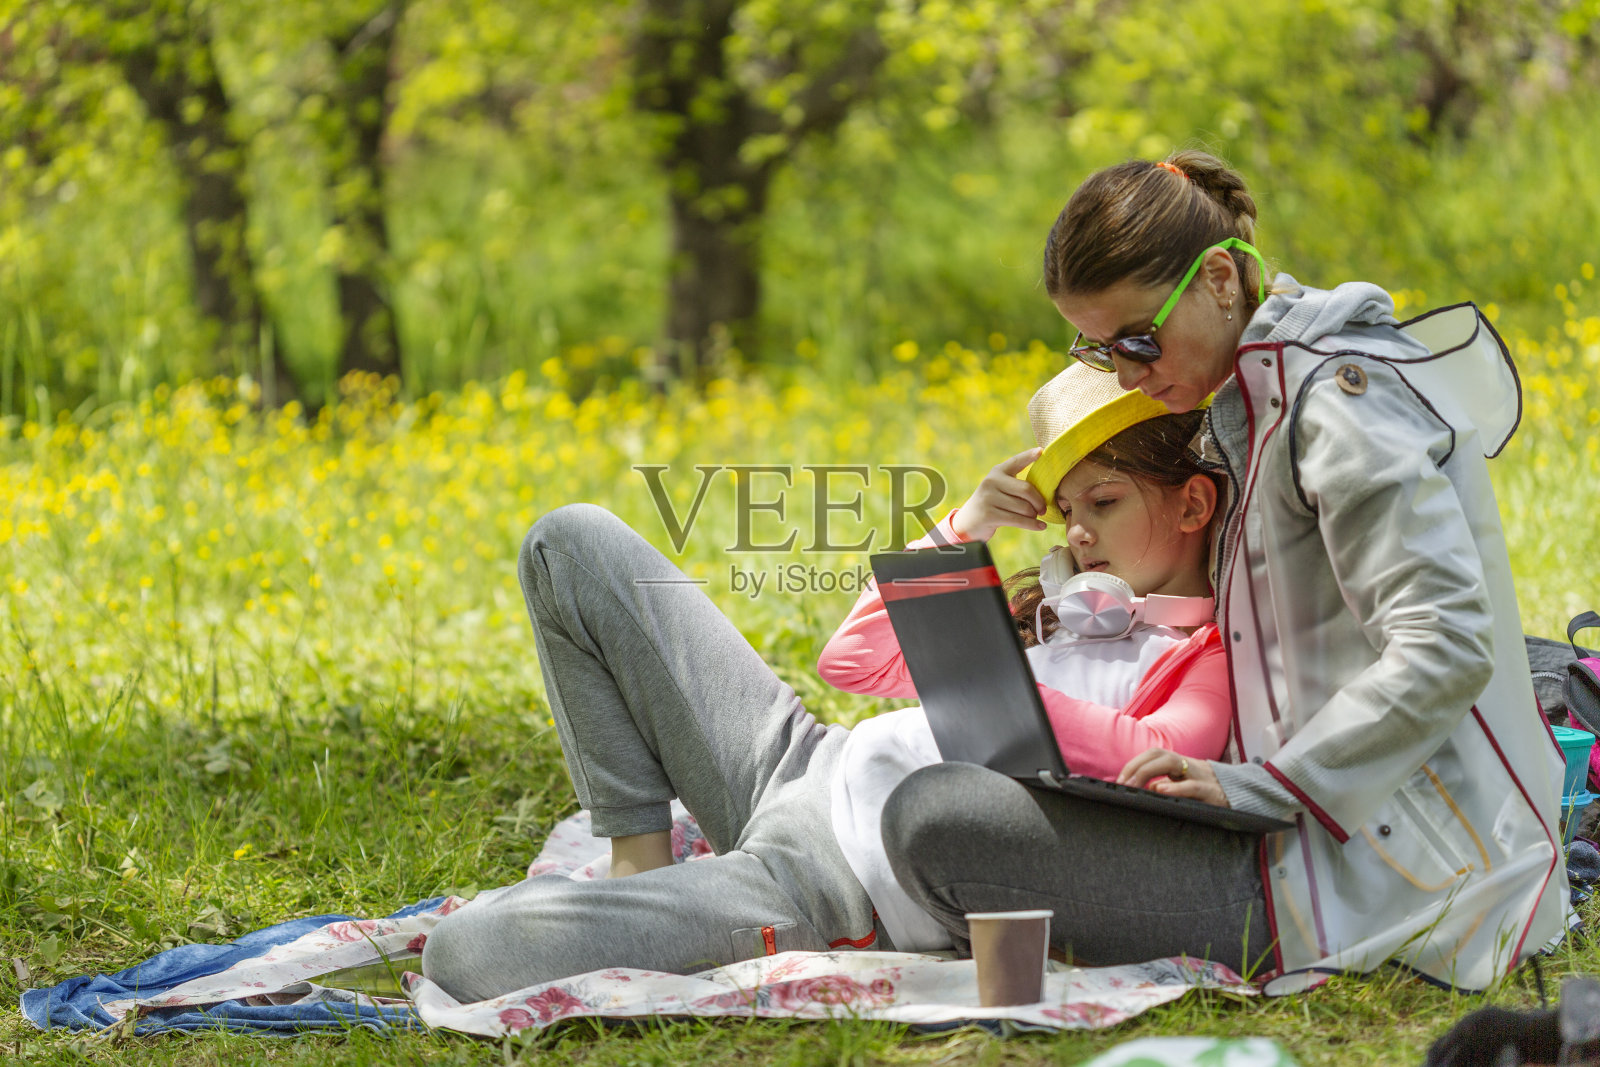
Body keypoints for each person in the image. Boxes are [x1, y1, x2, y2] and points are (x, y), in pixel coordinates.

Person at [878, 149, 1568, 994]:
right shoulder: (1254, 396)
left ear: (1216, 279)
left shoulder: (1339, 403)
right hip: (1284, 834)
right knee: (936, 805)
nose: (1128, 376)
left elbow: (1449, 644)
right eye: (1101, 353)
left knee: (936, 820)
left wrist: (1267, 785)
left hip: (1389, 877)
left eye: (1138, 339)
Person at [419, 368, 1236, 1004]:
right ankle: (639, 860)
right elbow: (850, 660)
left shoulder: (1204, 652)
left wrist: (999, 692)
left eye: (1104, 500)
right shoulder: (1050, 609)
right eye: (1065, 510)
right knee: (569, 542)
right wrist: (964, 529)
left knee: (464, 950)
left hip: (838, 880)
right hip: (803, 764)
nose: (1081, 530)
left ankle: (672, 907)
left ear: (1195, 501)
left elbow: (1161, 753)